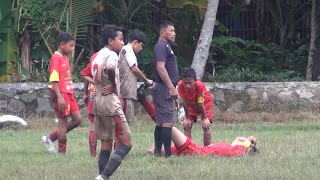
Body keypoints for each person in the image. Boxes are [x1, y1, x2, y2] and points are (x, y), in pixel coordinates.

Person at [92, 25, 132, 180]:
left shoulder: (98, 54)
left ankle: (102, 176)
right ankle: (104, 176)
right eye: (120, 39)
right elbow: (109, 67)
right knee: (127, 143)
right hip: (110, 102)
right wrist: (114, 86)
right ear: (110, 40)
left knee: (106, 142)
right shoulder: (112, 55)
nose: (122, 43)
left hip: (98, 100)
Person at [42, 32, 82, 154]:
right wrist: (59, 97)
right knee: (63, 122)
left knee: (78, 119)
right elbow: (54, 79)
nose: (72, 48)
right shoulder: (56, 58)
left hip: (68, 92)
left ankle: (51, 137)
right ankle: (62, 152)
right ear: (62, 44)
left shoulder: (64, 56)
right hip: (61, 93)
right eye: (70, 45)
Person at [152, 21, 178, 157]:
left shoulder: (165, 46)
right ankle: (167, 154)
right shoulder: (162, 46)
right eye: (171, 31)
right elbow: (160, 67)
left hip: (163, 87)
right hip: (164, 88)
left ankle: (158, 150)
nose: (174, 33)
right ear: (163, 33)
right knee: (167, 121)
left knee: (161, 121)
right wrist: (170, 87)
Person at [148, 126, 259, 157]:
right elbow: (238, 139)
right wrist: (250, 140)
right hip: (195, 150)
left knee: (169, 127)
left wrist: (250, 144)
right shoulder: (234, 147)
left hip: (195, 151)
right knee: (153, 152)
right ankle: (157, 152)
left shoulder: (238, 152)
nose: (245, 145)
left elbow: (242, 145)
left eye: (248, 146)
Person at [118, 30, 153, 124]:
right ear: (135, 42)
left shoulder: (123, 50)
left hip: (124, 91)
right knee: (125, 123)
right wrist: (146, 80)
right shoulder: (128, 50)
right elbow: (134, 68)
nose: (141, 48)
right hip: (126, 92)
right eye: (141, 45)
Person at [177, 67, 214, 146]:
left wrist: (204, 118)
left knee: (206, 126)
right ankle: (188, 148)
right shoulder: (180, 85)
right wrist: (187, 118)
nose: (187, 85)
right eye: (185, 83)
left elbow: (200, 102)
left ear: (195, 81)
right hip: (191, 103)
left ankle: (207, 148)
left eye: (190, 83)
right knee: (187, 125)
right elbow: (184, 102)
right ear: (182, 81)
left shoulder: (199, 86)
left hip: (205, 103)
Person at [80, 52, 98, 157]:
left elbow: (86, 74)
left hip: (93, 93)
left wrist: (85, 93)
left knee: (94, 125)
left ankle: (93, 154)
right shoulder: (112, 55)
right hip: (106, 94)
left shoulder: (94, 56)